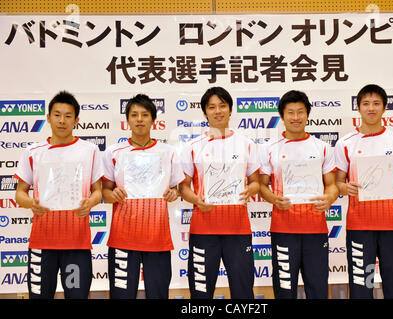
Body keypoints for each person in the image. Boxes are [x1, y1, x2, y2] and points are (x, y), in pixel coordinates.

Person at [14, 91, 103, 299]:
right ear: (48, 118)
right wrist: (31, 203)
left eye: (68, 115)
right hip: (41, 244)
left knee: (77, 296)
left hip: (77, 245)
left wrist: (90, 202)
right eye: (57, 114)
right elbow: (20, 193)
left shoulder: (89, 150)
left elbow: (98, 190)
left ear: (77, 120)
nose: (62, 120)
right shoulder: (33, 151)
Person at [178, 87, 260, 299]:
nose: (218, 111)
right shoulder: (192, 146)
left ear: (231, 110)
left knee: (243, 292)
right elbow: (183, 187)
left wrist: (250, 190)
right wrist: (196, 199)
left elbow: (256, 183)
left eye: (222, 106)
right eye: (212, 107)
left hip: (238, 230)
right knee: (201, 293)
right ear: (205, 112)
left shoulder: (247, 144)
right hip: (203, 230)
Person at [102, 94, 185, 299]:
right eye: (134, 115)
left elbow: (179, 188)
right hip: (123, 239)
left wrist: (174, 193)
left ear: (153, 120)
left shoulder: (168, 152)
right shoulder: (113, 151)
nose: (139, 119)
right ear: (127, 120)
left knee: (158, 295)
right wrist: (113, 194)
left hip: (157, 238)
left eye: (145, 115)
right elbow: (104, 192)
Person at [335, 84, 393, 299]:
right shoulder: (345, 143)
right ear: (358, 107)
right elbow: (338, 183)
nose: (371, 108)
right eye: (366, 103)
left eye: (376, 103)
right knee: (362, 288)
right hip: (360, 226)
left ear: (384, 107)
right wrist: (345, 187)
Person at [259, 90, 338, 299]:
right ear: (282, 116)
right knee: (284, 290)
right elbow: (262, 185)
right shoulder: (269, 148)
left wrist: (329, 198)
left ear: (307, 114)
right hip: (283, 229)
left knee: (318, 288)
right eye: (290, 113)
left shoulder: (322, 147)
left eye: (300, 112)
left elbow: (331, 184)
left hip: (315, 228)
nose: (296, 117)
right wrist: (274, 199)